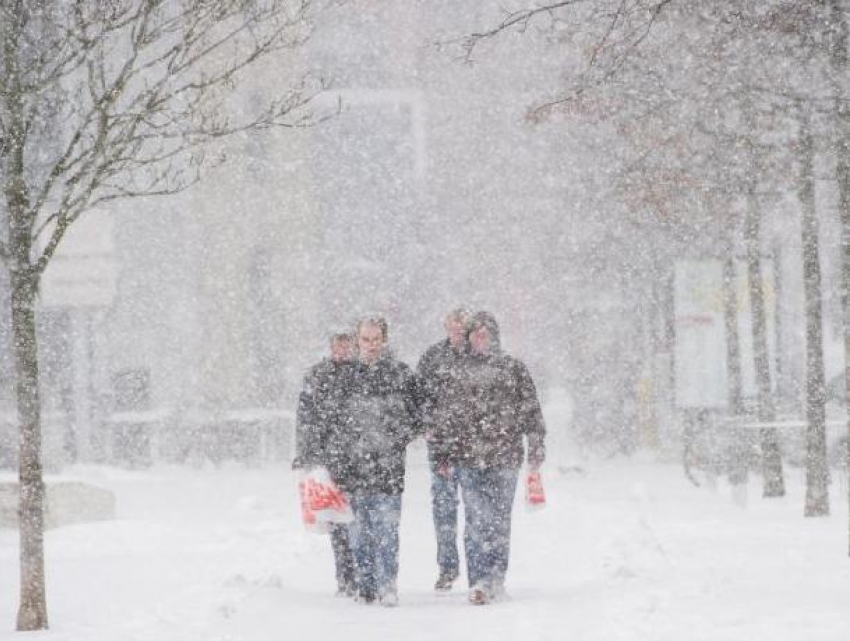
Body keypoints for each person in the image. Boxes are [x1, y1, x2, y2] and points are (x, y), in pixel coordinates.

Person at [431, 311, 546, 605]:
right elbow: (445, 416)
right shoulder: (456, 372)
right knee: (476, 520)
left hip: (505, 458)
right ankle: (479, 580)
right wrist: (443, 452)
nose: (480, 339)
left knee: (499, 521)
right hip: (469, 459)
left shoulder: (513, 369)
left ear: (494, 336)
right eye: (475, 334)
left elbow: (531, 411)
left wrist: (535, 445)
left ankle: (497, 576)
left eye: (485, 333)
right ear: (468, 338)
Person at [334, 316, 420, 606]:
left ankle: (387, 584)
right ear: (357, 341)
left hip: (388, 469)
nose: (370, 345)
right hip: (353, 469)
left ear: (385, 340)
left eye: (375, 339)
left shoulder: (401, 374)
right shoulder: (345, 378)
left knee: (386, 531)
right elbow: (332, 422)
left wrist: (395, 438)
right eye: (365, 339)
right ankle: (365, 584)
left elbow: (418, 416)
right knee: (358, 534)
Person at [292, 332, 357, 598]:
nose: (342, 349)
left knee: (359, 518)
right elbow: (306, 417)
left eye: (347, 344)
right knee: (338, 519)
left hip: (358, 456)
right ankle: (345, 576)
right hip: (329, 457)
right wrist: (307, 453)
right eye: (338, 344)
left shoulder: (362, 374)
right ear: (331, 347)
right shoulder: (317, 375)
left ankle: (362, 573)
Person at [415, 307, 470, 591]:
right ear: (446, 327)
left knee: (476, 512)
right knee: (444, 509)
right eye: (454, 326)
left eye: (463, 326)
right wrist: (427, 425)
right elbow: (419, 394)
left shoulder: (480, 355)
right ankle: (447, 567)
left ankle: (478, 569)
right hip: (441, 447)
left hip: (476, 447)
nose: (458, 331)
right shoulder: (433, 357)